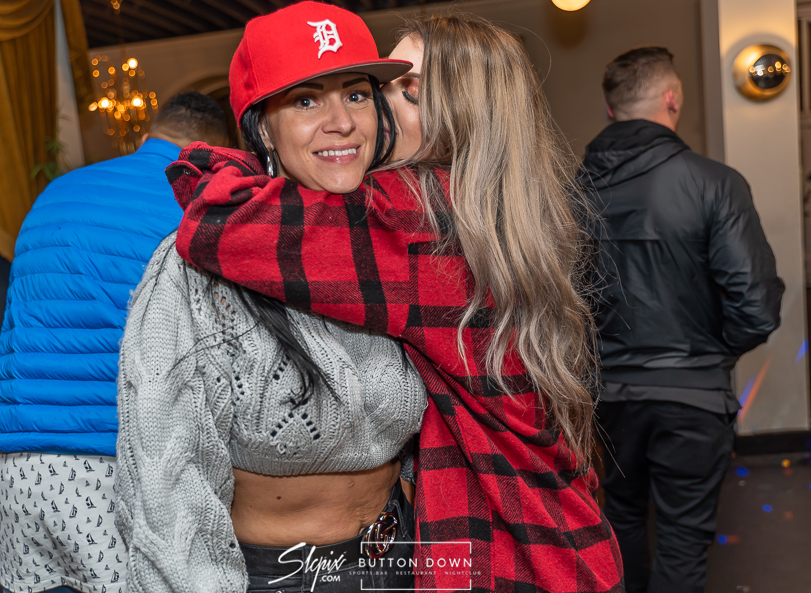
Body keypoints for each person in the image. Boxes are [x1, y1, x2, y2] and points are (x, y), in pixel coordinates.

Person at [167, 14, 624, 593]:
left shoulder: (411, 215)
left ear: (459, 118)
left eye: (406, 91)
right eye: (379, 86)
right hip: (566, 541)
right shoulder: (502, 212)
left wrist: (242, 161)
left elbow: (217, 223)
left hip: (509, 559)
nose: (370, 106)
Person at [114, 4, 427, 592]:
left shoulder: (400, 246)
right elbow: (167, 495)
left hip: (408, 563)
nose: (342, 122)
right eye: (306, 100)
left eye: (356, 94)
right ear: (262, 129)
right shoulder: (193, 268)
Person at [0, 92, 230, 593]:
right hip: (112, 469)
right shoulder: (191, 203)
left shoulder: (55, 192)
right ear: (215, 149)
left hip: (17, 468)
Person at [579, 47, 784, 593]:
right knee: (682, 540)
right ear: (672, 99)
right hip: (692, 396)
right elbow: (756, 307)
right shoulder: (714, 182)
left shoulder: (573, 191)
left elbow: (561, 301)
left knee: (620, 520)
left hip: (607, 398)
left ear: (611, 110)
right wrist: (706, 355)